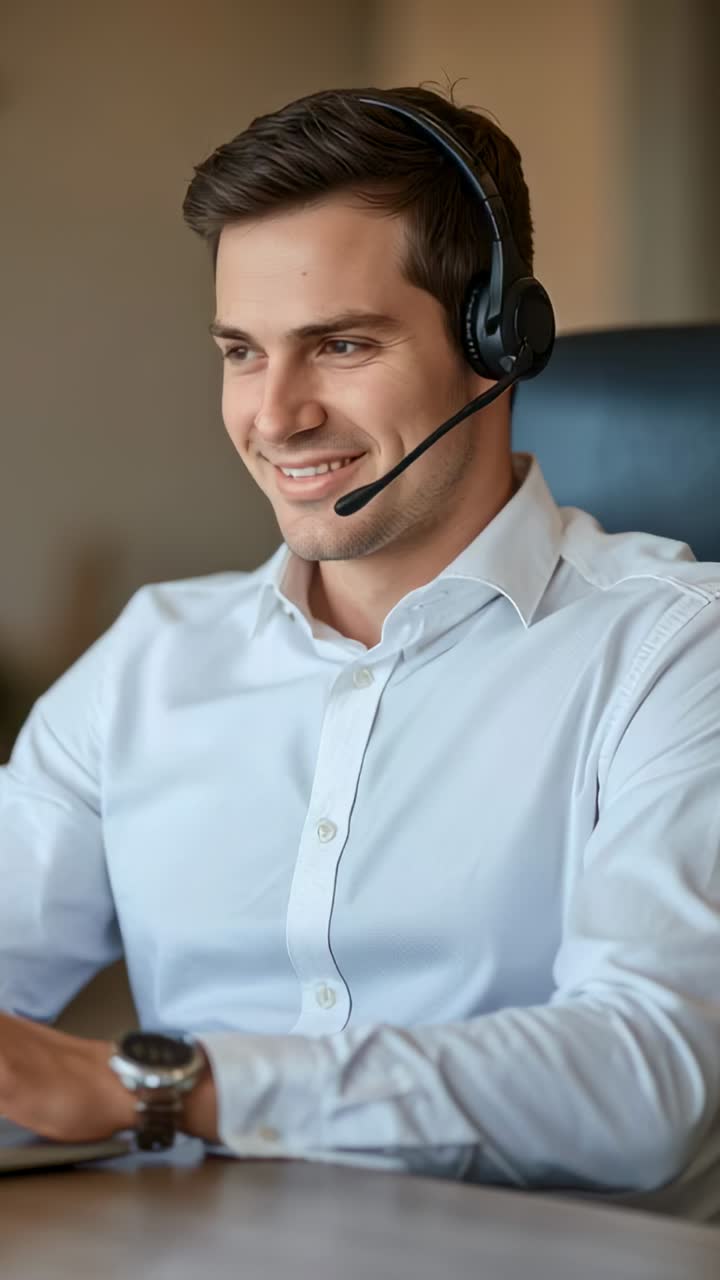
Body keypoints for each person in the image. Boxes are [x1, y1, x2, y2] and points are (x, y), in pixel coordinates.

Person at [1, 84, 719, 1217]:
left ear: (499, 342)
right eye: (243, 351)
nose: (275, 415)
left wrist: (172, 1088)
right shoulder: (150, 660)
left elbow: (646, 1077)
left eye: (339, 344)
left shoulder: (676, 652)